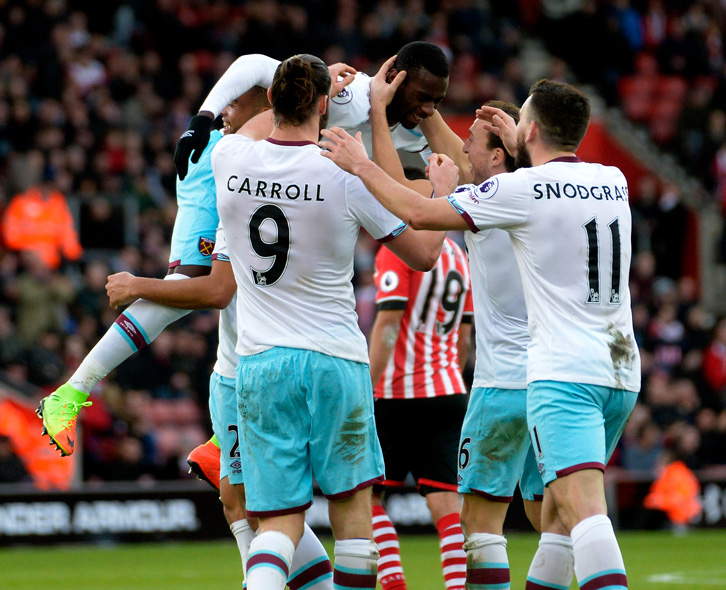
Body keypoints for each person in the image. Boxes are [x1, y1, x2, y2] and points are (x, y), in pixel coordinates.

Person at [321, 78, 641, 590]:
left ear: (524, 134)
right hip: (619, 369)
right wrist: (440, 119)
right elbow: (526, 174)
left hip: (535, 377)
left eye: (473, 143)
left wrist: (364, 159)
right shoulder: (613, 179)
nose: (461, 147)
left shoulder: (507, 196)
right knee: (554, 522)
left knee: (517, 521)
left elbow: (418, 210)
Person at [212, 53, 445, 590]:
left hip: (261, 362)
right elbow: (422, 253)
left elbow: (253, 126)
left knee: (278, 522)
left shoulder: (229, 158)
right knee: (353, 512)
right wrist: (436, 187)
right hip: (335, 359)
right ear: (323, 104)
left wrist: (309, 93)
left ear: (272, 99)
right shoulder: (345, 176)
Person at [104, 104, 334, 590]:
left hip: (244, 368)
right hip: (281, 364)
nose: (225, 126)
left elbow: (214, 290)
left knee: (266, 512)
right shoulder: (315, 183)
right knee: (285, 512)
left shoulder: (235, 190)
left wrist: (138, 284)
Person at [366, 61, 574, 590]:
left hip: (497, 385)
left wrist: (371, 128)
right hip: (550, 381)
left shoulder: (486, 203)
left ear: (499, 152)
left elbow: (405, 202)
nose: (462, 151)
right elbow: (471, 154)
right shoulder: (543, 194)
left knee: (477, 525)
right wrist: (427, 109)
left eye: (474, 143)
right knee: (544, 510)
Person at [36, 86, 272, 458]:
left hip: (236, 179)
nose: (225, 109)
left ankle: (222, 438)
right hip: (213, 175)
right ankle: (74, 389)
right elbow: (249, 65)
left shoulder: (259, 135)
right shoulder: (232, 135)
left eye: (235, 102)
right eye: (227, 101)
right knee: (198, 288)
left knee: (242, 300)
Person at [173, 41, 450, 181]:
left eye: (437, 102)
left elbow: (454, 176)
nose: (429, 111)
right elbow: (254, 65)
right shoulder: (350, 93)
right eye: (423, 98)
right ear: (393, 77)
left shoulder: (417, 134)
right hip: (235, 168)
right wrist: (201, 121)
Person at [1, 169, 83, 271]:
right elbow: (10, 234)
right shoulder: (21, 202)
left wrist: (73, 254)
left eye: (52, 185)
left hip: (53, 264)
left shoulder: (58, 203)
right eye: (47, 185)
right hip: (24, 261)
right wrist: (26, 251)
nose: (49, 189)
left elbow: (67, 234)